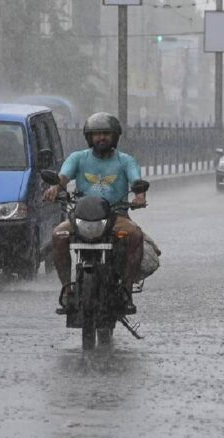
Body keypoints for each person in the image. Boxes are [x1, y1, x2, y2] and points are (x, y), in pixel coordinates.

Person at [42, 112, 146, 314]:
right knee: (58, 235)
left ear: (114, 136)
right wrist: (55, 188)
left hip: (116, 216)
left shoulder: (126, 161)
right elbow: (62, 178)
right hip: (80, 217)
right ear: (89, 137)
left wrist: (139, 195)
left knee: (135, 235)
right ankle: (66, 289)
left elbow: (136, 181)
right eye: (96, 134)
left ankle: (126, 291)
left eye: (106, 133)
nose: (101, 138)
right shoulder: (78, 158)